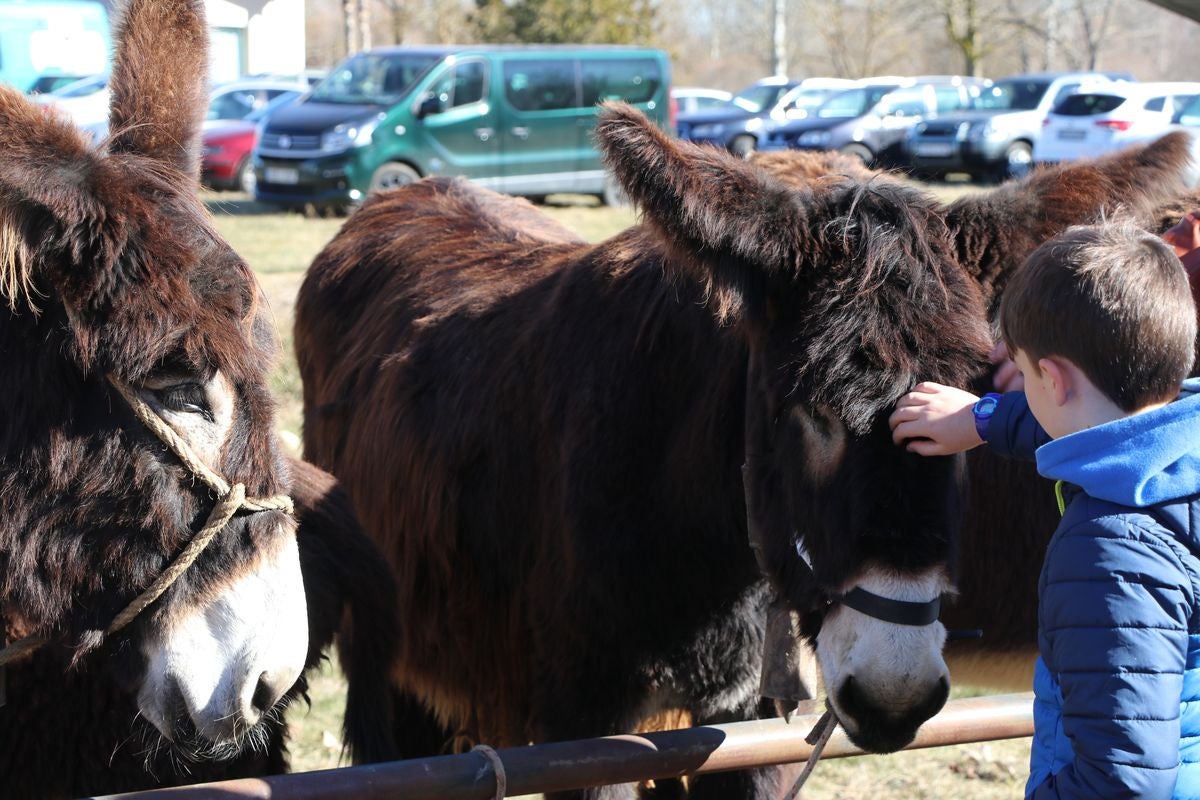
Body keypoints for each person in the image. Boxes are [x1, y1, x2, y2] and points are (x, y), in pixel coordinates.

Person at [889, 221, 1200, 799]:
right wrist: (984, 418)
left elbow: (1124, 781)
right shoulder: (1180, 448)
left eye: (1024, 377)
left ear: (1051, 379)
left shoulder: (1112, 551)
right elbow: (1107, 428)